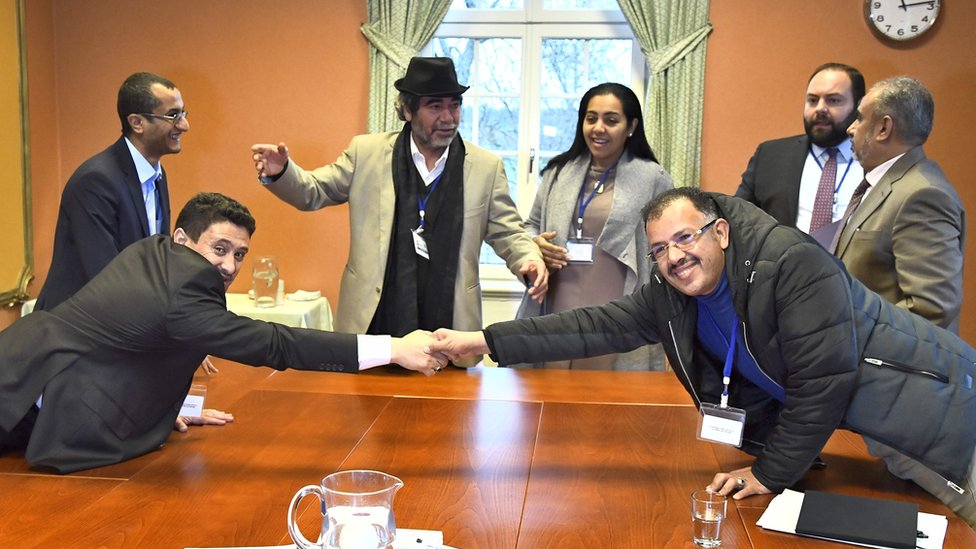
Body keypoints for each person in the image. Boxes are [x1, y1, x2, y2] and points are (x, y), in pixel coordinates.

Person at [427, 187, 976, 528]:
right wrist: (482, 342)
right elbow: (592, 327)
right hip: (876, 429)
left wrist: (771, 472)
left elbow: (823, 383)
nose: (674, 257)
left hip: (942, 408)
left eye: (684, 238)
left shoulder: (792, 265)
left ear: (721, 231)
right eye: (659, 249)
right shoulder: (673, 293)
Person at [0, 193, 447, 474]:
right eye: (219, 248)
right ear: (181, 239)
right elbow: (277, 343)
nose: (230, 266)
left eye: (240, 254)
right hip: (20, 399)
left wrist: (158, 404)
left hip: (22, 362)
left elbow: (124, 347)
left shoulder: (149, 252)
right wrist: (393, 348)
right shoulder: (185, 290)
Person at [251, 57, 547, 365]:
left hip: (451, 331)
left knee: (448, 413)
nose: (448, 117)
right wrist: (282, 171)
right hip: (374, 325)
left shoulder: (486, 167)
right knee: (365, 413)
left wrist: (527, 257)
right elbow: (314, 191)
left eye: (455, 105)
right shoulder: (366, 153)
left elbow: (508, 231)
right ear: (407, 110)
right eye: (435, 107)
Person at [516, 82, 672, 370]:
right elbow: (529, 227)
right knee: (551, 401)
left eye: (611, 120)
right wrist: (535, 245)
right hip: (557, 308)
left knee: (612, 404)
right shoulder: (558, 171)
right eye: (591, 118)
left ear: (631, 126)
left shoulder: (653, 178)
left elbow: (669, 244)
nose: (598, 127)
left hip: (619, 313)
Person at [36, 72, 188, 311]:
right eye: (173, 115)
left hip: (118, 321)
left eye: (183, 113)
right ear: (137, 122)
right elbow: (105, 275)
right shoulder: (96, 180)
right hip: (75, 330)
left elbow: (154, 258)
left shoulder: (157, 174)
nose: (184, 125)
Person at [838, 76, 965, 333]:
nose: (851, 128)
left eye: (860, 118)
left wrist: (849, 334)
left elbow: (930, 309)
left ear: (884, 128)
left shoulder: (923, 195)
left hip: (890, 368)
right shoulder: (886, 184)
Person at [736, 63, 865, 237]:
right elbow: (737, 219)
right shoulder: (770, 156)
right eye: (812, 100)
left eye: (833, 100)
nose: (820, 109)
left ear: (859, 107)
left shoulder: (878, 161)